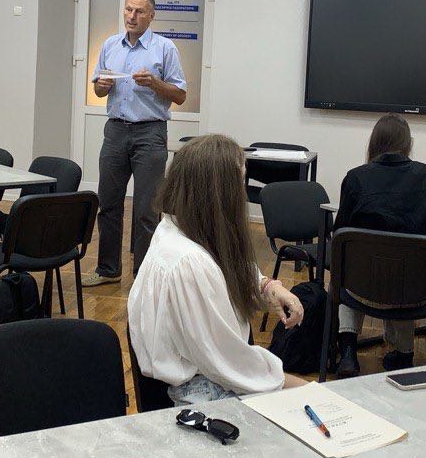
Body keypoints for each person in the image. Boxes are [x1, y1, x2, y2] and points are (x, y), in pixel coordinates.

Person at [128, 134, 306, 405]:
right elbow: (230, 365)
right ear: (220, 193)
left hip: (209, 379)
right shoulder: (190, 264)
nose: (242, 194)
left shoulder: (173, 229)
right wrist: (303, 387)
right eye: (240, 183)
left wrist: (266, 285)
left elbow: (223, 262)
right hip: (203, 394)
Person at [334, 114, 426, 377]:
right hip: (415, 292)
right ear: (408, 144)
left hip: (361, 289)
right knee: (403, 272)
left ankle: (347, 352)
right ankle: (404, 353)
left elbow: (340, 234)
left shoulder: (355, 178)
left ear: (373, 143)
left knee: (350, 271)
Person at [86, 0, 187, 286]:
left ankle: (144, 276)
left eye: (139, 11)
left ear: (151, 16)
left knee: (147, 209)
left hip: (150, 133)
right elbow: (98, 90)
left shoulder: (165, 48)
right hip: (115, 131)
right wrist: (102, 86)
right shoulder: (110, 45)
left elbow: (180, 95)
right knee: (108, 204)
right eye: (128, 9)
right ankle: (108, 270)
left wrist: (155, 83)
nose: (132, 16)